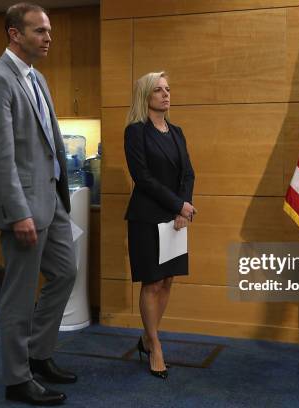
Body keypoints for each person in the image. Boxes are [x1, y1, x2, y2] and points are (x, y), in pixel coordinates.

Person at [0, 3, 77, 405]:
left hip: (52, 200)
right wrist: (18, 213)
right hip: (23, 209)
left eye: (48, 31)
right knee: (19, 295)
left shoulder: (38, 78)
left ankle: (38, 353)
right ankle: (17, 379)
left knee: (66, 274)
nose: (48, 38)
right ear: (14, 34)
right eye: (39, 31)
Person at [124, 72, 196, 379]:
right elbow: (143, 178)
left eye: (168, 89)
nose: (166, 94)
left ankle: (146, 337)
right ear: (145, 96)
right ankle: (155, 346)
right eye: (158, 90)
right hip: (146, 217)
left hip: (175, 218)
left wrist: (184, 207)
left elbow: (188, 173)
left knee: (167, 281)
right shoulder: (135, 131)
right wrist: (178, 204)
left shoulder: (177, 131)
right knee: (151, 282)